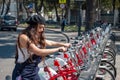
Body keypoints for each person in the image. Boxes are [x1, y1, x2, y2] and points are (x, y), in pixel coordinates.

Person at [12, 14, 71, 80]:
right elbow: (38, 52)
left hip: (33, 71)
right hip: (23, 72)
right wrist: (59, 49)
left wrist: (64, 44)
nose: (42, 30)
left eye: (43, 28)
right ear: (33, 27)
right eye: (40, 27)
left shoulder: (35, 37)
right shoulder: (23, 37)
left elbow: (50, 43)